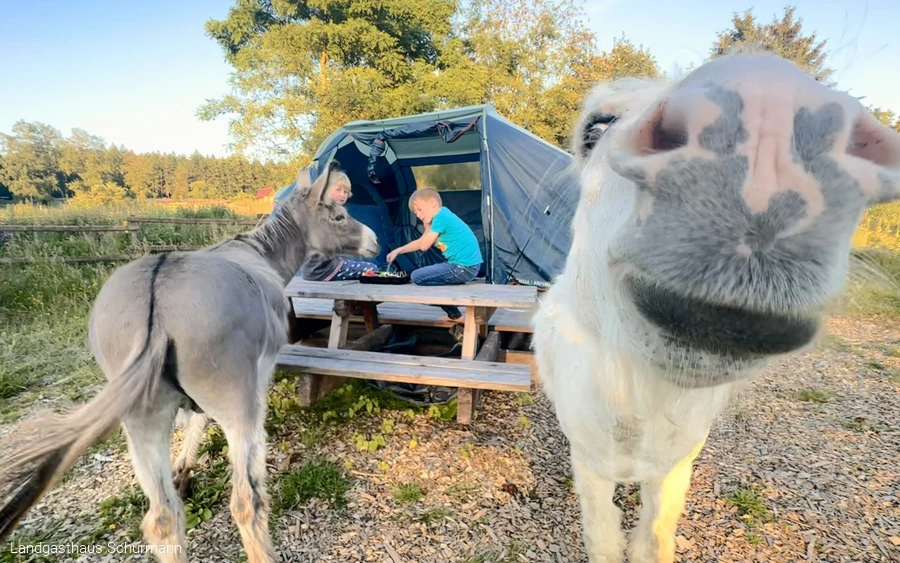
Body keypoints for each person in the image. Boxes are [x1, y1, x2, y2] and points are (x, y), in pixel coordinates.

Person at [386, 187, 483, 323]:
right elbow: (421, 242)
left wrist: (426, 225)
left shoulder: (441, 217)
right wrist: (398, 250)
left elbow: (424, 246)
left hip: (463, 267)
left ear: (433, 203)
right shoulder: (441, 216)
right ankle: (455, 315)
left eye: (419, 210)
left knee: (417, 277)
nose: (418, 215)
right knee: (426, 278)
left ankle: (453, 308)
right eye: (415, 212)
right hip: (464, 267)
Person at [299, 171, 380, 281]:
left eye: (345, 192)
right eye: (338, 190)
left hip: (311, 270)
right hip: (324, 270)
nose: (342, 195)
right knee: (371, 268)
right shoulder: (328, 213)